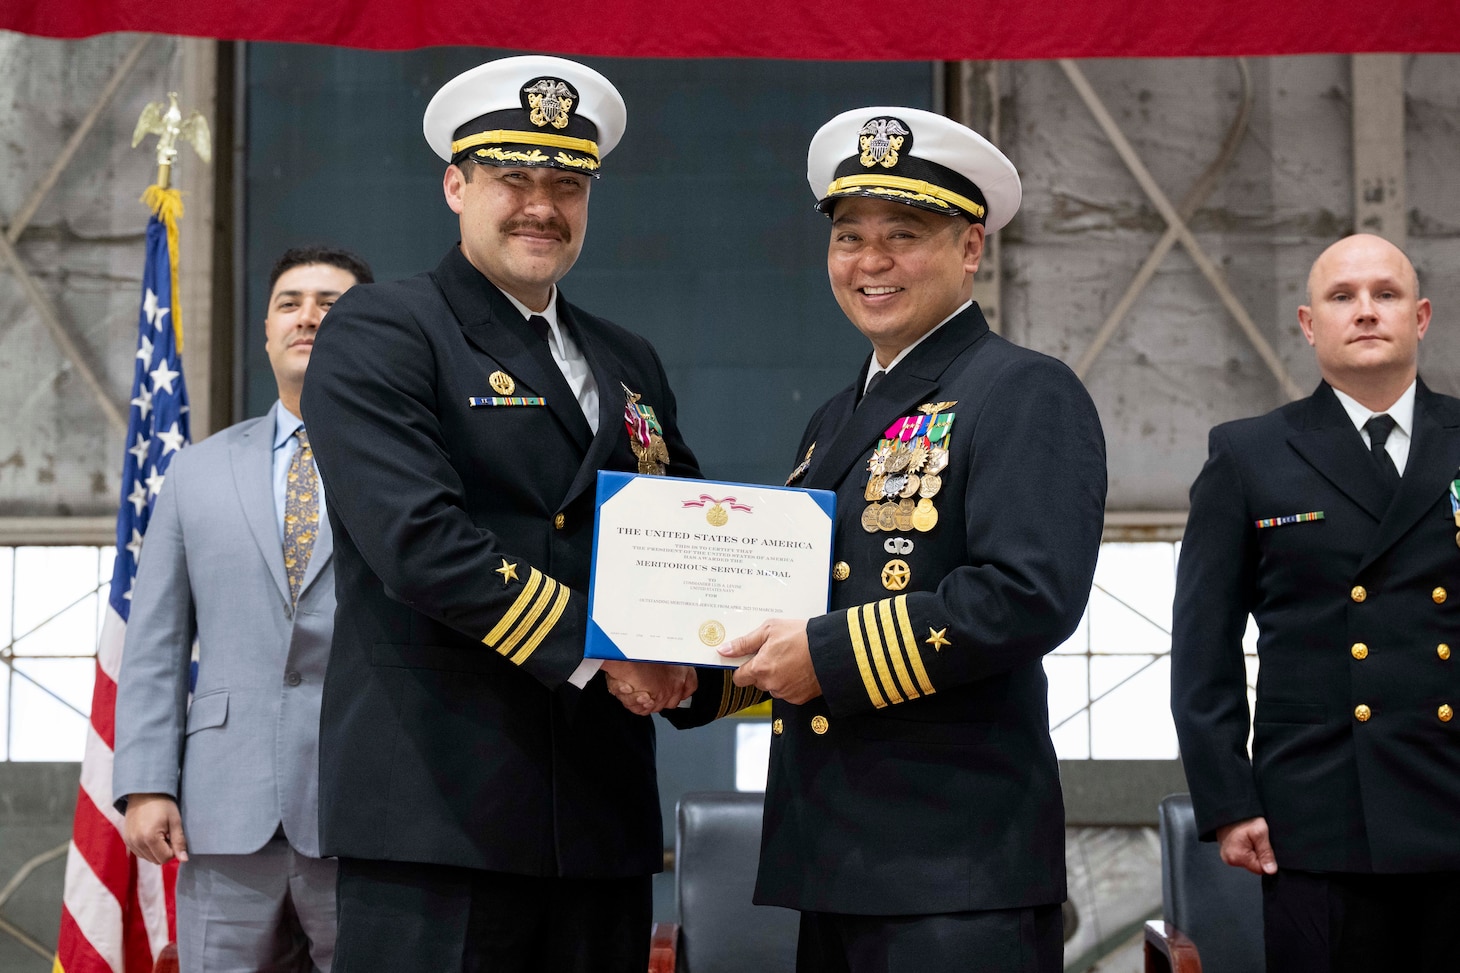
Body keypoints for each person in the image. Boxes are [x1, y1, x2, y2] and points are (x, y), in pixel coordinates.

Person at [299, 56, 714, 973]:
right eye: (512, 178)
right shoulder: (385, 328)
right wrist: (608, 649)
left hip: (599, 816)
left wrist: (708, 656)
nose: (542, 204)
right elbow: (419, 542)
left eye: (566, 182)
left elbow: (682, 536)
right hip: (440, 811)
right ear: (456, 185)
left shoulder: (625, 355)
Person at [716, 107, 1107, 973]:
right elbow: (798, 600)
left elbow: (1028, 593)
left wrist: (827, 653)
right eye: (849, 237)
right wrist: (693, 667)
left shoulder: (1023, 390)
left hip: (955, 867)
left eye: (905, 232)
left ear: (971, 247)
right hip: (835, 857)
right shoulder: (833, 418)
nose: (871, 260)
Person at [1171, 233, 1460, 971]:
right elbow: (1203, 646)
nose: (1365, 311)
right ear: (1308, 323)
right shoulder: (1249, 454)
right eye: (1342, 297)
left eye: (1385, 294)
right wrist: (1229, 799)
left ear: (1421, 316)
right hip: (1320, 815)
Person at [113, 245, 373, 972]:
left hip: (363, 809)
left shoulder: (411, 468)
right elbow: (156, 642)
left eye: (331, 303)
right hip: (222, 815)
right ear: (266, 330)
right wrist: (146, 783)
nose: (308, 316)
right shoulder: (196, 471)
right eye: (290, 302)